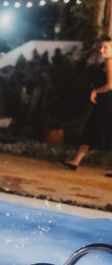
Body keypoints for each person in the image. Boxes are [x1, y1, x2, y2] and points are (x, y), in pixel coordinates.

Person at [63, 36, 112, 172]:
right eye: (101, 47)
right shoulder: (107, 62)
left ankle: (75, 161)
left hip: (107, 102)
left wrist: (95, 91)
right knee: (92, 130)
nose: (101, 50)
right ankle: (75, 161)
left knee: (94, 130)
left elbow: (110, 85)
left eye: (105, 47)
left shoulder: (110, 62)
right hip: (106, 102)